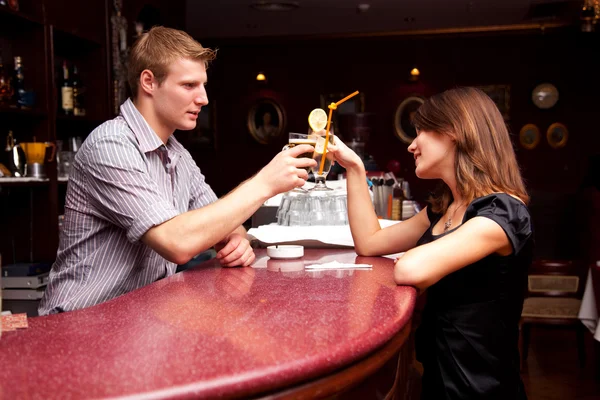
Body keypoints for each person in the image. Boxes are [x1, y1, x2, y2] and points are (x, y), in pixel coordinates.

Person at [39, 27, 315, 315]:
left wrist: (238, 240)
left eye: (203, 85)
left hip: (138, 319)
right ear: (149, 82)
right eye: (188, 85)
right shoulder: (110, 146)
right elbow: (177, 242)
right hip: (80, 325)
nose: (203, 98)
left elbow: (227, 223)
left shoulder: (176, 154)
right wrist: (264, 184)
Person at [329, 87, 532, 399]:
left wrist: (405, 259)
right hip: (440, 376)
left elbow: (412, 269)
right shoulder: (444, 207)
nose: (411, 146)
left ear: (454, 132)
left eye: (420, 131)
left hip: (480, 387)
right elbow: (370, 243)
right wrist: (354, 167)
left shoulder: (503, 213)